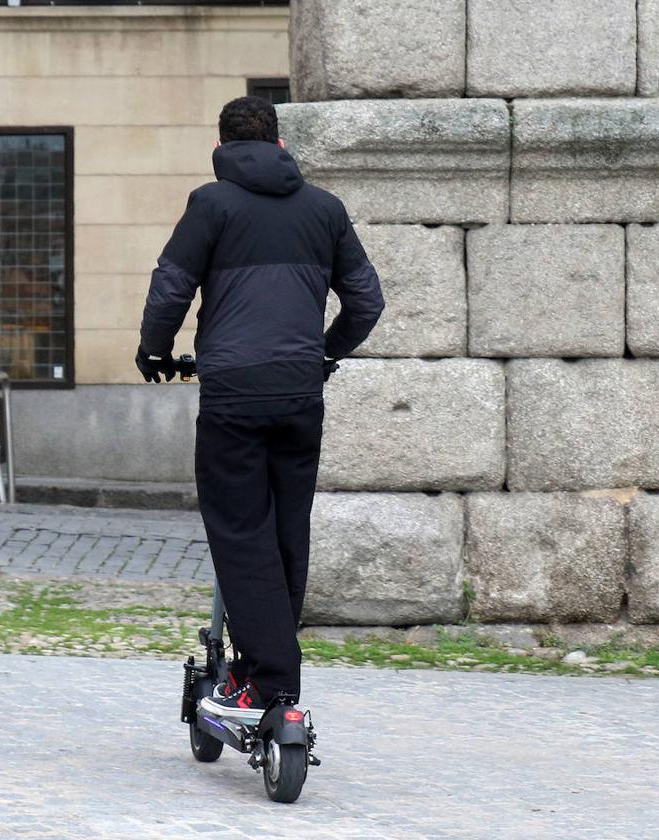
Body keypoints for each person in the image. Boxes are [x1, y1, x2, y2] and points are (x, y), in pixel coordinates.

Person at [136, 96, 384, 721]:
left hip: (234, 395)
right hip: (300, 394)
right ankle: (258, 672)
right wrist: (323, 354)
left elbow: (171, 286)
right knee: (285, 533)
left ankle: (271, 682)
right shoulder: (325, 208)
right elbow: (367, 302)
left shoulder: (211, 203)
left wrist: (155, 351)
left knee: (242, 533)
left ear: (221, 149)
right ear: (279, 145)